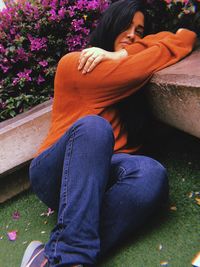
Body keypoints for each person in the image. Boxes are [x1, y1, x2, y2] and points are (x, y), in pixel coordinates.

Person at [20, 0, 197, 266]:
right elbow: (173, 45)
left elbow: (180, 37)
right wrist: (126, 56)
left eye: (139, 30)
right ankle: (71, 259)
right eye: (126, 25)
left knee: (151, 173)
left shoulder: (129, 90)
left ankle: (48, 258)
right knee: (95, 127)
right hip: (57, 171)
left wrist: (126, 52)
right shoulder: (79, 63)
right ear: (110, 24)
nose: (132, 35)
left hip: (106, 179)